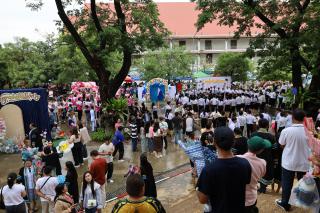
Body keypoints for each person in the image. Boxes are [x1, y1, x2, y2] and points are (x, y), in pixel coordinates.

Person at [196, 127, 251, 213]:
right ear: (233, 142)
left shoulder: (208, 170)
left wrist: (198, 187)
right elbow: (247, 182)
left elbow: (202, 199)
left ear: (214, 142)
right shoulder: (245, 163)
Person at [276, 109, 310, 212]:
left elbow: (281, 144)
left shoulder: (286, 131)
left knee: (287, 183)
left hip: (288, 162)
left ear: (292, 118)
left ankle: (285, 203)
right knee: (302, 182)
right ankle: (301, 201)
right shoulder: (309, 132)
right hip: (304, 161)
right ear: (304, 119)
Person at [238, 136, 270, 213]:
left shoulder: (237, 158)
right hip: (251, 198)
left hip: (236, 197)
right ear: (260, 150)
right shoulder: (262, 163)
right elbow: (262, 175)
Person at [251, 118, 276, 194]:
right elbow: (274, 149)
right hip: (267, 158)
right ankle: (263, 188)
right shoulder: (271, 137)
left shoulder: (253, 134)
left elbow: (250, 147)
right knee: (265, 172)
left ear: (259, 125)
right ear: (267, 126)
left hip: (255, 157)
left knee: (255, 172)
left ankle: (254, 186)